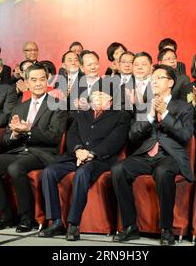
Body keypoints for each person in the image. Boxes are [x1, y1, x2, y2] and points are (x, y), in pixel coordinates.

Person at [112, 65, 194, 245]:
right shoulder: (143, 105)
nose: (154, 81)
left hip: (169, 156)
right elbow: (133, 136)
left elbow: (185, 135)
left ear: (170, 82)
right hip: (144, 155)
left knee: (163, 172)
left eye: (159, 78)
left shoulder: (184, 107)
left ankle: (166, 229)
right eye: (153, 78)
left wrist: (165, 113)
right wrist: (149, 116)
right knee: (119, 169)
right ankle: (130, 226)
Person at [0, 64, 67, 232]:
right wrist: (14, 134)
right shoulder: (19, 107)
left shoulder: (57, 104)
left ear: (47, 81)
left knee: (16, 168)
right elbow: (5, 140)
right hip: (19, 151)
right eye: (33, 80)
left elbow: (54, 137)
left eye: (42, 79)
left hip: (42, 153)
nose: (38, 83)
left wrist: (28, 129)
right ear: (26, 83)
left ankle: (27, 218)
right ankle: (6, 215)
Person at [39, 87, 130, 241]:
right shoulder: (81, 114)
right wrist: (78, 150)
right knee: (49, 171)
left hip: (100, 159)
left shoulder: (120, 115)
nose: (97, 98)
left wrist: (92, 153)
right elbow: (72, 135)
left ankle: (73, 224)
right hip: (76, 156)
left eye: (101, 95)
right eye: (94, 95)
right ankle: (55, 222)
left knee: (82, 173)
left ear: (110, 100)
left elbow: (115, 140)